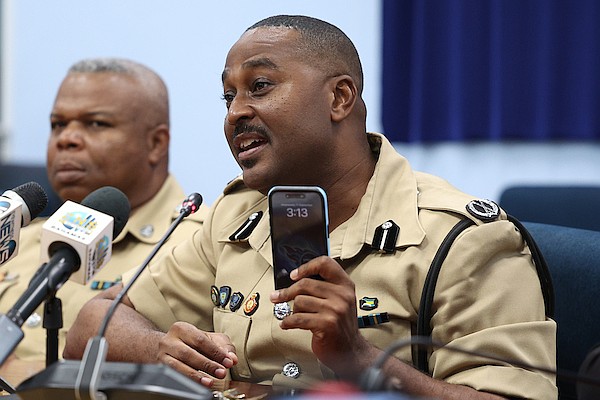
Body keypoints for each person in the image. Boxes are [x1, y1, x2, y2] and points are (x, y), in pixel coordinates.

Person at [65, 16, 557, 399]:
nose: (235, 112)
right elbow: (92, 326)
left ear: (340, 97)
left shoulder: (464, 239)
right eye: (227, 95)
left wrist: (361, 361)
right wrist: (160, 349)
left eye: (260, 86)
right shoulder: (234, 216)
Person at [0, 58, 208, 362]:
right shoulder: (19, 240)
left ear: (156, 143)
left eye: (96, 124)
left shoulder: (196, 246)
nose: (66, 139)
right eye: (57, 124)